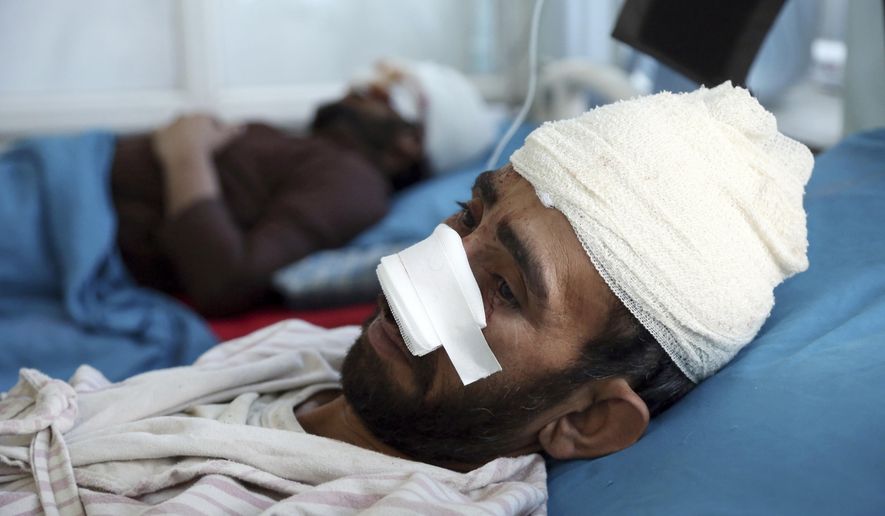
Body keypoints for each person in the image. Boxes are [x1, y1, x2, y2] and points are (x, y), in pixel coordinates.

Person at [0, 82, 812, 513]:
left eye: (502, 287)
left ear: (586, 421)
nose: (416, 268)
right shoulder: (308, 354)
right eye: (468, 215)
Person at [112, 59, 498, 316]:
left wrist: (186, 154)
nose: (362, 84)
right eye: (376, 74)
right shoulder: (324, 154)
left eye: (386, 91)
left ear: (411, 142)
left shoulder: (352, 184)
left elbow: (224, 283)